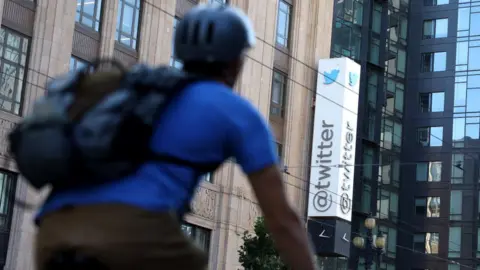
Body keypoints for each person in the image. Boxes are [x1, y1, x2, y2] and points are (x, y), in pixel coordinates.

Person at [34, 4, 318, 270]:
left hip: (54, 229)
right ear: (235, 61)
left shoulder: (137, 88)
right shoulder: (236, 112)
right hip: (135, 231)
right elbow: (282, 221)